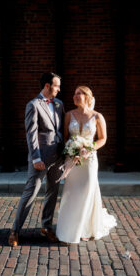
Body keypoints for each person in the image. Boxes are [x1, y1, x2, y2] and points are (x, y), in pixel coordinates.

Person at [8, 72, 64, 246]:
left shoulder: (59, 104)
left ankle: (46, 227)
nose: (59, 89)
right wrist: (36, 157)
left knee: (53, 192)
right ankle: (15, 230)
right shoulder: (33, 105)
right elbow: (31, 134)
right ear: (47, 86)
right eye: (56, 86)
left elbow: (60, 130)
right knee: (31, 192)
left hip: (58, 157)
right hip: (41, 157)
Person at [56, 86, 117, 244]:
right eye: (74, 93)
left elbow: (102, 139)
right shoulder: (69, 115)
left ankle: (85, 228)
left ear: (87, 96)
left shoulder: (97, 116)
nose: (75, 96)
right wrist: (72, 148)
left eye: (79, 93)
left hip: (89, 160)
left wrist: (88, 149)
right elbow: (65, 136)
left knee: (88, 190)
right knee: (72, 192)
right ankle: (70, 226)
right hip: (72, 159)